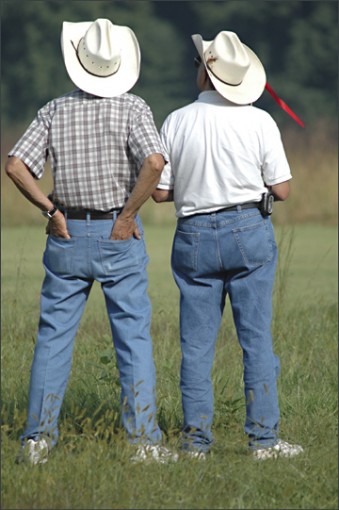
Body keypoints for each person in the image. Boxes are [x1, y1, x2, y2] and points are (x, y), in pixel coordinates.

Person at [6, 18, 178, 465]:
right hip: (118, 234)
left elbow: (15, 166)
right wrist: (127, 215)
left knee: (53, 338)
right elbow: (156, 163)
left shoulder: (53, 109)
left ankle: (37, 440)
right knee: (133, 340)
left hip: (66, 233)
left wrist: (50, 211)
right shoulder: (133, 108)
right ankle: (142, 443)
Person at [153, 30, 304, 460]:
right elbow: (284, 189)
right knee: (256, 340)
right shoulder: (260, 121)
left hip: (194, 235)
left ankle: (196, 443)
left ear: (206, 74)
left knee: (196, 347)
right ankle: (264, 440)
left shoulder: (177, 120)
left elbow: (161, 193)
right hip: (248, 229)